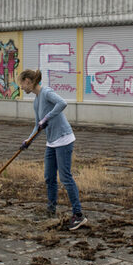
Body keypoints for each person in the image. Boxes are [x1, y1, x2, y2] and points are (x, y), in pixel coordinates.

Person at [19, 69, 87, 231]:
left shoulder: (46, 92)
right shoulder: (36, 101)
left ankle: (78, 215)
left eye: (21, 84)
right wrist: (28, 140)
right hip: (51, 142)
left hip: (63, 139)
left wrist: (47, 117)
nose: (21, 87)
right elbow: (38, 125)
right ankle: (51, 210)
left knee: (65, 177)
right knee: (49, 177)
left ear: (28, 81)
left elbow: (62, 103)